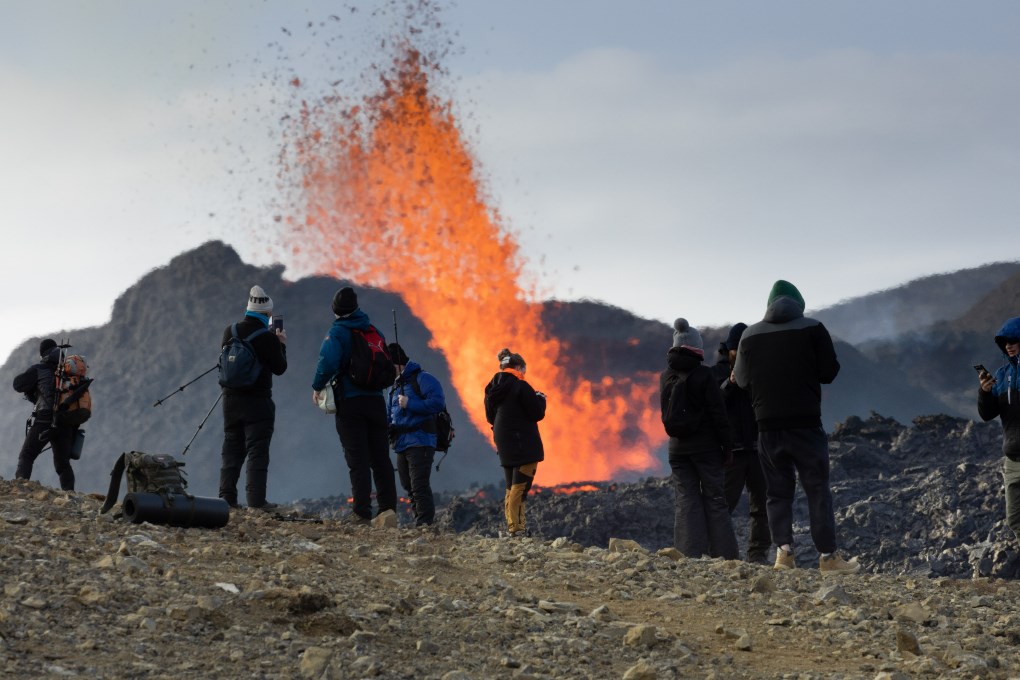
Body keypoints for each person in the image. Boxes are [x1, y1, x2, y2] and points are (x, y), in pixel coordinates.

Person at [733, 280, 859, 574]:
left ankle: (784, 555)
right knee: (817, 490)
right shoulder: (814, 328)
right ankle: (828, 558)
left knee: (777, 493)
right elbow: (829, 372)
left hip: (767, 427)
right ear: (799, 304)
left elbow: (740, 380)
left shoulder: (749, 336)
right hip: (805, 425)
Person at [311, 286, 396, 524]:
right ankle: (389, 509)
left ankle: (361, 512)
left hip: (350, 402)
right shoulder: (373, 330)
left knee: (357, 458)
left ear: (336, 310)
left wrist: (317, 386)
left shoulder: (338, 333)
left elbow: (327, 362)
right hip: (377, 402)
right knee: (381, 457)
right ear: (356, 307)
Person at [662, 319, 739, 559]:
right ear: (697, 348)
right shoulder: (704, 375)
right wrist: (728, 447)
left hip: (676, 450)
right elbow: (719, 415)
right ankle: (724, 558)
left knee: (686, 500)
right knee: (715, 499)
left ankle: (687, 555)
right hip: (706, 450)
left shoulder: (665, 376)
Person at [219, 285, 288, 510]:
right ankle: (256, 502)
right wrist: (281, 345)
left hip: (230, 400)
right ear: (267, 314)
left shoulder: (230, 331)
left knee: (231, 450)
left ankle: (226, 498)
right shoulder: (267, 338)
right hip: (258, 403)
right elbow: (280, 368)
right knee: (257, 451)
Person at [711, 322, 772, 564]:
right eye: (738, 349)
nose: (742, 354)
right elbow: (713, 407)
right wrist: (730, 384)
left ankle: (757, 556)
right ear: (728, 349)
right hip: (731, 452)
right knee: (723, 507)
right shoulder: (715, 374)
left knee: (763, 506)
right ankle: (718, 555)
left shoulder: (759, 372)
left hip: (758, 450)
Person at [484, 348, 546, 538]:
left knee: (511, 486)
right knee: (520, 487)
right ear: (518, 366)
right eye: (523, 368)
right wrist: (541, 399)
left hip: (504, 442)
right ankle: (517, 530)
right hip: (523, 443)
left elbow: (489, 417)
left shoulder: (491, 390)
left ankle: (515, 527)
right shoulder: (521, 386)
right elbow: (537, 413)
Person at [386, 343, 446, 526]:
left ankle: (425, 525)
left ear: (396, 364)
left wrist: (410, 403)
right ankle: (420, 521)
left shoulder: (423, 379)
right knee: (408, 486)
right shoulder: (394, 387)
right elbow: (389, 414)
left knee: (419, 485)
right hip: (401, 443)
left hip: (421, 440)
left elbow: (437, 404)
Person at [12, 339, 77, 490]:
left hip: (45, 419)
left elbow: (18, 384)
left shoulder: (39, 369)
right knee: (63, 464)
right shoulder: (67, 373)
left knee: (26, 455)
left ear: (43, 354)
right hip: (66, 422)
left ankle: (20, 490)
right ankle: (71, 496)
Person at [978, 317, 1020, 539]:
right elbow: (987, 414)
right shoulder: (1003, 375)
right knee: (1015, 519)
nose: (1009, 345)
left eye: (1013, 340)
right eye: (1005, 342)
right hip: (1012, 460)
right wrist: (985, 392)